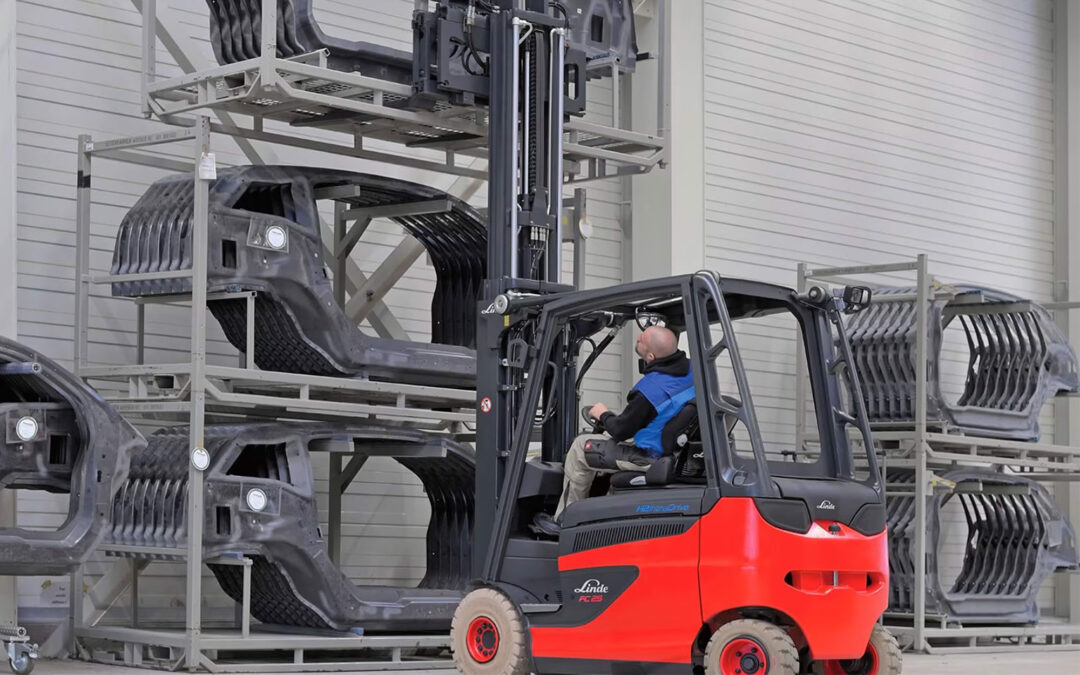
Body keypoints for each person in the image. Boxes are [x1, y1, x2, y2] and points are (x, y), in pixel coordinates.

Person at [533, 325, 695, 535]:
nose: (638, 337)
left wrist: (602, 414)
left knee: (581, 447)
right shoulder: (694, 370)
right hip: (677, 450)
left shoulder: (649, 390)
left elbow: (620, 430)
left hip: (649, 456)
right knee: (604, 438)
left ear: (651, 355)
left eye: (641, 339)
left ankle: (564, 521)